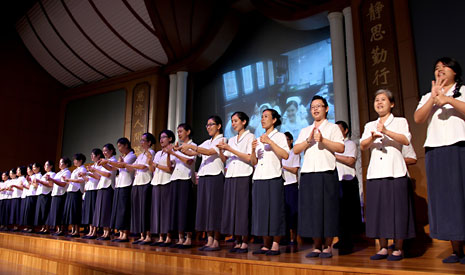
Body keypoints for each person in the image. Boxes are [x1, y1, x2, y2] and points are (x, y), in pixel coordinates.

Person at [414, 57, 465, 264]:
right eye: (436, 68)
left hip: (459, 147)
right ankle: (456, 249)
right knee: (445, 199)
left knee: (461, 195)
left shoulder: (462, 91)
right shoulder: (429, 95)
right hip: (435, 150)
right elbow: (418, 118)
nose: (440, 71)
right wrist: (433, 98)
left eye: (444, 67)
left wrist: (448, 100)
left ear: (455, 72)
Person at [361, 89, 415, 261]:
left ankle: (398, 248)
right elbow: (363, 145)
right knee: (377, 211)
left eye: (383, 100)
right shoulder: (370, 125)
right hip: (376, 172)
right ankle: (383, 247)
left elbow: (405, 140)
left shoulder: (400, 121)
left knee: (398, 210)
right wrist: (372, 137)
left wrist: (386, 131)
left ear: (391, 104)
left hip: (395, 171)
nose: (379, 103)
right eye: (376, 100)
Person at [294, 95, 344, 258]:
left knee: (328, 209)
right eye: (312, 107)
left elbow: (341, 148)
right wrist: (309, 140)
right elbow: (295, 150)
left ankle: (327, 246)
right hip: (308, 173)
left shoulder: (333, 128)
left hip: (326, 172)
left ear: (326, 108)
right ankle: (316, 246)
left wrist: (323, 140)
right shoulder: (304, 130)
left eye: (319, 106)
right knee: (312, 210)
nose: (315, 109)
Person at [180, 115, 226, 251]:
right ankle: (209, 239)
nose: (208, 127)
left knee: (215, 208)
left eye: (211, 124)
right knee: (205, 208)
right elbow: (194, 151)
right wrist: (179, 149)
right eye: (207, 125)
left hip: (215, 175)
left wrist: (191, 147)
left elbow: (209, 152)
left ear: (218, 126)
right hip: (204, 176)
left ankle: (216, 240)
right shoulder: (207, 141)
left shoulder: (222, 139)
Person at [250, 109, 289, 256]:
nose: (262, 119)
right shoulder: (260, 139)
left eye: (266, 117)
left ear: (274, 120)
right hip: (259, 177)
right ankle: (265, 244)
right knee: (262, 211)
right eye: (261, 117)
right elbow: (253, 162)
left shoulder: (279, 136)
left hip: (274, 176)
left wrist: (270, 142)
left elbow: (285, 155)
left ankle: (275, 244)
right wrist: (253, 150)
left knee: (275, 211)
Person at [218, 111, 254, 253]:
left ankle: (244, 241)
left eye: (236, 121)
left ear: (244, 122)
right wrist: (221, 150)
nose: (233, 124)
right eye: (232, 121)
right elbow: (224, 159)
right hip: (231, 175)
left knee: (242, 209)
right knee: (232, 209)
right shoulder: (231, 139)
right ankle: (237, 240)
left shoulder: (250, 136)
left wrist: (230, 149)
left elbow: (249, 158)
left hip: (243, 175)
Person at [163, 123, 196, 249]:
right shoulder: (178, 147)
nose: (179, 134)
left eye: (181, 131)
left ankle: (188, 238)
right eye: (178, 132)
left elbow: (189, 161)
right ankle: (180, 237)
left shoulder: (193, 145)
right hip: (175, 178)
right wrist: (168, 153)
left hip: (186, 178)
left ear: (188, 132)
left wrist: (174, 152)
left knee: (185, 209)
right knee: (176, 209)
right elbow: (170, 167)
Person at [100, 138, 136, 242]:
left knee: (124, 210)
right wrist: (105, 164)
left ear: (126, 145)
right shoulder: (123, 157)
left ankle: (125, 234)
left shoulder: (132, 156)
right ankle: (120, 234)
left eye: (120, 146)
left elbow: (121, 165)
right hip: (119, 185)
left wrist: (108, 161)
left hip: (127, 184)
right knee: (119, 210)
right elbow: (113, 169)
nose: (119, 149)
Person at [334, 120, 363, 254]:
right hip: (336, 181)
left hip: (348, 181)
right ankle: (341, 238)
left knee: (348, 212)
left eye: (339, 129)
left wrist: (334, 155)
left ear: (345, 131)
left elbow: (350, 160)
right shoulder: (334, 145)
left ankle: (349, 239)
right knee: (338, 212)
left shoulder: (349, 144)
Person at [124, 133, 156, 244]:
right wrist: (123, 164)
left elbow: (143, 166)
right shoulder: (141, 155)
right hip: (137, 183)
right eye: (141, 140)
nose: (141, 142)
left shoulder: (151, 152)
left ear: (149, 142)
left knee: (145, 209)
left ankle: (148, 235)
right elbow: (131, 168)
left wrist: (130, 165)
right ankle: (141, 235)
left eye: (143, 140)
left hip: (145, 183)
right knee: (137, 210)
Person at [149, 130, 175, 246]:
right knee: (157, 210)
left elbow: (170, 168)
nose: (161, 140)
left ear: (170, 138)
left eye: (164, 137)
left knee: (166, 210)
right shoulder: (158, 153)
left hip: (167, 182)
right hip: (156, 182)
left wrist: (156, 165)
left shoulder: (173, 150)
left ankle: (168, 236)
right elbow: (152, 170)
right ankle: (160, 236)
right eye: (160, 137)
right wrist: (151, 162)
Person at [92, 144, 117, 240]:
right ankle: (103, 232)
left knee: (106, 210)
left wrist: (97, 168)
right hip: (102, 186)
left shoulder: (113, 160)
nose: (104, 153)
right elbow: (99, 176)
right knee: (101, 210)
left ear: (111, 151)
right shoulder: (103, 161)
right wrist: (92, 172)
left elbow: (107, 174)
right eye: (103, 151)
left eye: (106, 151)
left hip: (108, 186)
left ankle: (107, 232)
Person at [281, 131, 300, 247]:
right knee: (284, 213)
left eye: (287, 140)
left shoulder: (294, 153)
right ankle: (285, 237)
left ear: (291, 141)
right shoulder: (281, 152)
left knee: (293, 213)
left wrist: (283, 166)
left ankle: (294, 238)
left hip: (291, 184)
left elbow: (295, 170)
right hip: (282, 184)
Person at [46, 158, 72, 236]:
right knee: (55, 213)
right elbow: (52, 184)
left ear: (66, 164)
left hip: (61, 194)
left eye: (61, 163)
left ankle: (62, 229)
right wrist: (49, 179)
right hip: (55, 194)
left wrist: (52, 179)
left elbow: (63, 184)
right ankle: (58, 229)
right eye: (59, 163)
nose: (60, 164)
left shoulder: (67, 172)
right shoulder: (58, 173)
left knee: (61, 212)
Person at [81, 149, 103, 239]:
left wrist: (90, 173)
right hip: (89, 189)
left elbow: (98, 177)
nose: (91, 156)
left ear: (98, 155)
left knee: (94, 211)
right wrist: (83, 175)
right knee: (89, 211)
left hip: (95, 189)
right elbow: (88, 179)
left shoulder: (100, 165)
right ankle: (90, 231)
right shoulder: (93, 165)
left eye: (93, 155)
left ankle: (94, 231)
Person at [62, 153, 87, 237]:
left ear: (80, 160)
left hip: (76, 192)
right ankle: (72, 230)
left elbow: (81, 181)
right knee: (70, 212)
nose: (74, 161)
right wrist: (67, 180)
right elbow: (73, 180)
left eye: (75, 160)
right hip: (71, 191)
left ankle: (76, 231)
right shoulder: (75, 170)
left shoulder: (83, 169)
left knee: (75, 211)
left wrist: (70, 179)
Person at [34, 161, 55, 234]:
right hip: (41, 194)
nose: (45, 166)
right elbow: (39, 185)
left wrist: (40, 181)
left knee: (46, 211)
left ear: (51, 166)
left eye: (46, 165)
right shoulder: (44, 175)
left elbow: (50, 184)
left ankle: (47, 228)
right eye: (45, 165)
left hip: (46, 194)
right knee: (41, 212)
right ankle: (43, 227)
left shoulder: (52, 174)